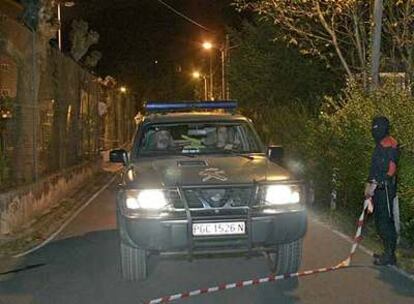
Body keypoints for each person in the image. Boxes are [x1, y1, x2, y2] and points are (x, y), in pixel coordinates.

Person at [364, 116, 398, 266]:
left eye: (376, 127)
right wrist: (369, 187)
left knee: (385, 223)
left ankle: (390, 255)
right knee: (379, 221)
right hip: (376, 188)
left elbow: (391, 169)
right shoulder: (379, 144)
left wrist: (380, 181)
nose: (374, 130)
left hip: (384, 189)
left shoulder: (391, 144)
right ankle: (387, 252)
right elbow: (374, 169)